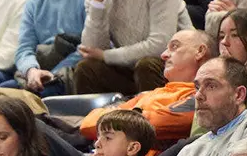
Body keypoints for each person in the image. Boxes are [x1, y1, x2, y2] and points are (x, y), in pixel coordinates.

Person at [79, 29, 214, 143]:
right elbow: (88, 124)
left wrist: (128, 113)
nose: (163, 55)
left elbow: (150, 126)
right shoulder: (149, 94)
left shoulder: (200, 98)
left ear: (200, 51)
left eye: (174, 47)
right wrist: (136, 114)